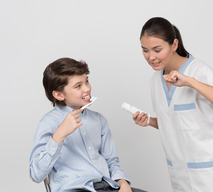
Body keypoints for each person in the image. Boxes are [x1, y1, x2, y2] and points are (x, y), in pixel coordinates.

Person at [132, 17, 213, 192]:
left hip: (210, 177)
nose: (151, 57)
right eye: (145, 50)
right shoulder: (155, 81)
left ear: (174, 45)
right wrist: (149, 121)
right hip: (180, 177)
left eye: (157, 50)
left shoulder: (198, 71)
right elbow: (173, 122)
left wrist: (190, 82)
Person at [29, 58, 146, 192]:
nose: (87, 88)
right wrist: (60, 134)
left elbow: (111, 160)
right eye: (78, 86)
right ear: (59, 95)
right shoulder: (49, 123)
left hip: (107, 186)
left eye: (87, 81)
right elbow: (36, 174)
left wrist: (123, 183)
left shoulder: (98, 120)